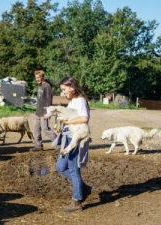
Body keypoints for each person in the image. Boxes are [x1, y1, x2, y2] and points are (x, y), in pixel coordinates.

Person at [55, 76, 92, 213]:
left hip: (76, 138)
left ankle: (77, 201)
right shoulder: (73, 102)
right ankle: (84, 188)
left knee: (73, 170)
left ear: (72, 87)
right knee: (60, 167)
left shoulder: (80, 101)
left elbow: (84, 118)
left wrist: (68, 122)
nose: (63, 92)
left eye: (64, 90)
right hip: (68, 137)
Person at [30, 70, 57, 151]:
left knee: (45, 129)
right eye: (36, 78)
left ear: (42, 77)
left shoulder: (47, 86)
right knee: (36, 129)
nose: (37, 79)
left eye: (38, 77)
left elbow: (49, 100)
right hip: (38, 112)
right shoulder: (40, 86)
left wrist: (47, 113)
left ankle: (58, 142)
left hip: (44, 112)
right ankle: (38, 146)